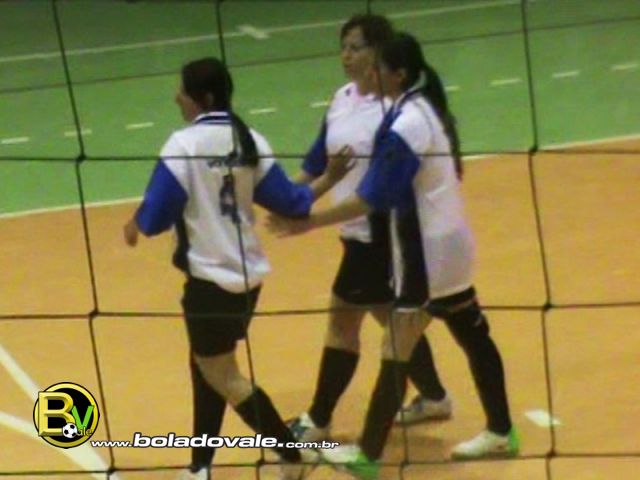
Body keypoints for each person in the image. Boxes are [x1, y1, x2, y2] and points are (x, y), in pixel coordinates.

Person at [268, 32, 519, 479]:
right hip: (450, 246)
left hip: (426, 255)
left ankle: (367, 455)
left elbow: (372, 197)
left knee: (395, 347)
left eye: (375, 66)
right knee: (470, 333)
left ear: (397, 74)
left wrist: (308, 222)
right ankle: (500, 430)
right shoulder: (419, 108)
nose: (366, 71)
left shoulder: (407, 125)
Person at [123, 57, 351, 480]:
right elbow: (292, 202)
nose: (176, 97)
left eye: (182, 90)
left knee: (223, 375)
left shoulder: (184, 145)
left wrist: (135, 222)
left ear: (203, 97)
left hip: (209, 282)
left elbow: (155, 218)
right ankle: (200, 466)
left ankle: (291, 454)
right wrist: (330, 179)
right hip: (246, 281)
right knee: (209, 367)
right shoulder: (250, 140)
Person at [288, 13, 452, 447]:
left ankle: (318, 419)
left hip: (382, 232)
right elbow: (317, 161)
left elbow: (381, 188)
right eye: (342, 47)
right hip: (354, 230)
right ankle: (435, 397)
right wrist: (285, 197)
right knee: (391, 320)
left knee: (343, 321)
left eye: (356, 47)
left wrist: (305, 220)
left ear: (380, 52)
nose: (346, 55)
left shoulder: (393, 111)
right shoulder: (341, 98)